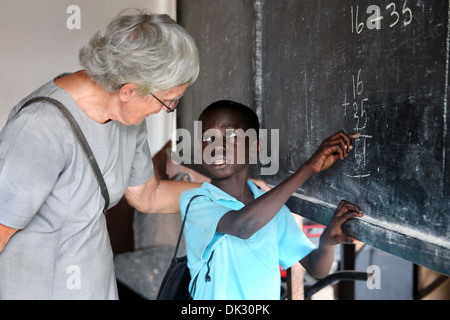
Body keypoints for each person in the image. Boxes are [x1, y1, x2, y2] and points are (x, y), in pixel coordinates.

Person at [0, 9, 201, 299]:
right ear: (129, 90)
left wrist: (224, 194)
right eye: (168, 101)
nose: (165, 110)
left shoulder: (127, 120)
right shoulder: (40, 128)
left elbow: (148, 195)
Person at [180, 100, 363, 300]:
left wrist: (326, 242)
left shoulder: (270, 207)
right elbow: (242, 227)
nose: (216, 146)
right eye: (208, 138)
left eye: (231, 136)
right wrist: (310, 167)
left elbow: (316, 268)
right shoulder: (196, 201)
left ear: (255, 148)